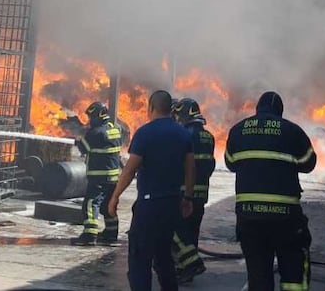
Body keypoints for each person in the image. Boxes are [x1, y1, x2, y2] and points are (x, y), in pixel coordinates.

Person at [225, 91, 317, 291]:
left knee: (258, 276)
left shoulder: (237, 130)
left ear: (257, 109)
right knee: (294, 272)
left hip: (249, 218)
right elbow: (308, 163)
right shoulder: (293, 131)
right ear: (280, 112)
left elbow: (231, 163)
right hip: (286, 219)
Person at [108, 90, 195, 291]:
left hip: (149, 205)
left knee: (140, 260)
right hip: (172, 203)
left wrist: (115, 197)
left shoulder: (145, 133)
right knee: (164, 257)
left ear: (151, 107)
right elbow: (191, 168)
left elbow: (130, 169)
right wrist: (188, 198)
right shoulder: (183, 133)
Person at [170, 97, 216, 284]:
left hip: (184, 191)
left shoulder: (183, 135)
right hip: (201, 192)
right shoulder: (209, 137)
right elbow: (209, 165)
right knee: (192, 232)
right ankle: (185, 270)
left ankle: (191, 264)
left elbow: (178, 165)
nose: (177, 119)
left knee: (172, 228)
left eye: (179, 115)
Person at [71, 101, 123, 246]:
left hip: (99, 177)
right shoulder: (115, 129)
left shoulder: (95, 133)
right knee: (108, 206)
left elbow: (84, 149)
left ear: (100, 115)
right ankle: (111, 235)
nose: (90, 121)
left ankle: (89, 235)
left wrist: (78, 142)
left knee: (90, 203)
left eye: (92, 117)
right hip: (113, 177)